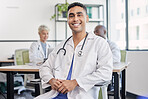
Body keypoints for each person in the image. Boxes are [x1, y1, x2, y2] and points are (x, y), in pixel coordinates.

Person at [35, 2, 113, 99]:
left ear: (87, 18)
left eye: (79, 15)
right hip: (55, 95)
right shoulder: (62, 46)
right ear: (68, 20)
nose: (75, 19)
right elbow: (44, 67)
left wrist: (76, 82)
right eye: (71, 16)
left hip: (81, 95)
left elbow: (106, 73)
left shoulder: (99, 43)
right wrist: (51, 80)